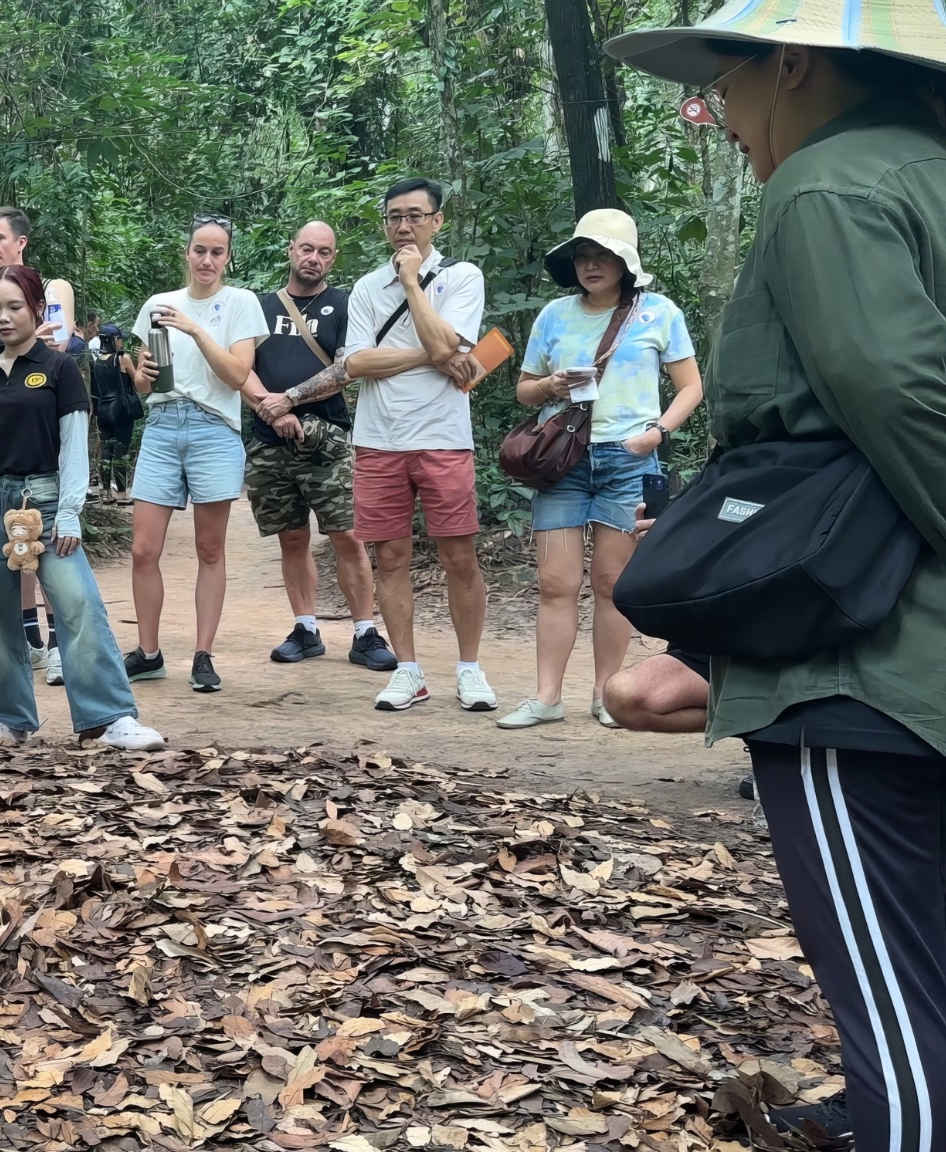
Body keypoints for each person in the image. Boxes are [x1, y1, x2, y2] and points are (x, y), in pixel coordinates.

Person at [608, 7, 946, 1145]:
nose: (716, 120)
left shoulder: (824, 188)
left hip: (860, 677)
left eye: (722, 86)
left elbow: (894, 389)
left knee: (902, 1047)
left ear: (792, 62)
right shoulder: (929, 176)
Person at [0, 265, 165, 752]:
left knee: (76, 601)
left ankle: (109, 717)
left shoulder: (59, 370)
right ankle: (9, 719)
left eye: (15, 307)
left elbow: (74, 446)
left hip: (46, 501)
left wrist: (71, 511)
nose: (5, 317)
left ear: (37, 309)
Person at [497, 210, 704, 731]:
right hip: (563, 460)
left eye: (603, 255)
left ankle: (605, 695)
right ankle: (546, 697)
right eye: (583, 256)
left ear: (625, 262)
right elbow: (524, 388)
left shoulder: (658, 313)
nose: (591, 265)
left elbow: (691, 387)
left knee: (612, 582)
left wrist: (657, 432)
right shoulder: (554, 315)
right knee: (555, 581)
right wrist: (552, 387)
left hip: (627, 460)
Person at [343, 179, 495, 714]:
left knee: (459, 555)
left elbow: (447, 342)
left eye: (414, 215)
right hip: (378, 439)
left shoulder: (461, 277)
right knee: (390, 557)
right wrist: (431, 355)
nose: (402, 226)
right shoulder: (364, 287)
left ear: (438, 220)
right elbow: (356, 363)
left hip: (442, 438)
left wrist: (411, 282)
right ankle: (408, 671)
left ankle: (470, 669)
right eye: (393, 217)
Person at [126, 215, 267, 693]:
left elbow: (237, 374)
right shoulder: (157, 305)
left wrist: (196, 329)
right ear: (186, 252)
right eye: (199, 250)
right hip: (163, 426)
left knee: (210, 549)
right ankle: (148, 653)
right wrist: (139, 373)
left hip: (214, 429)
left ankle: (203, 655)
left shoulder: (240, 304)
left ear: (228, 257)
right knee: (144, 549)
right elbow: (149, 382)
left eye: (217, 252)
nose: (207, 260)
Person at [246, 221, 395, 673]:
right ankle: (305, 628)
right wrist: (273, 412)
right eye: (306, 249)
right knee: (292, 538)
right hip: (268, 441)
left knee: (347, 536)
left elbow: (349, 367)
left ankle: (365, 633)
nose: (313, 258)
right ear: (291, 250)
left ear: (334, 258)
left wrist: (291, 402)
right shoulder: (259, 306)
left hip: (327, 439)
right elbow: (237, 367)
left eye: (324, 252)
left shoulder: (345, 306)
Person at [0, 207, 76, 674]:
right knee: (11, 549)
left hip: (47, 427)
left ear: (21, 242)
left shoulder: (55, 288)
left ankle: (61, 644)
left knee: (49, 550)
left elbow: (57, 346)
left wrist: (6, 350)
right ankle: (28, 638)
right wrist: (18, 344)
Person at [88, 322, 139, 504]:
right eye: (119, 339)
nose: (121, 342)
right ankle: (123, 494)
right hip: (121, 411)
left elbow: (95, 390)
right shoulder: (122, 359)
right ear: (113, 340)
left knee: (106, 452)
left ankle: (106, 493)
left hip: (103, 411)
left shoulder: (97, 361)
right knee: (120, 451)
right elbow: (137, 379)